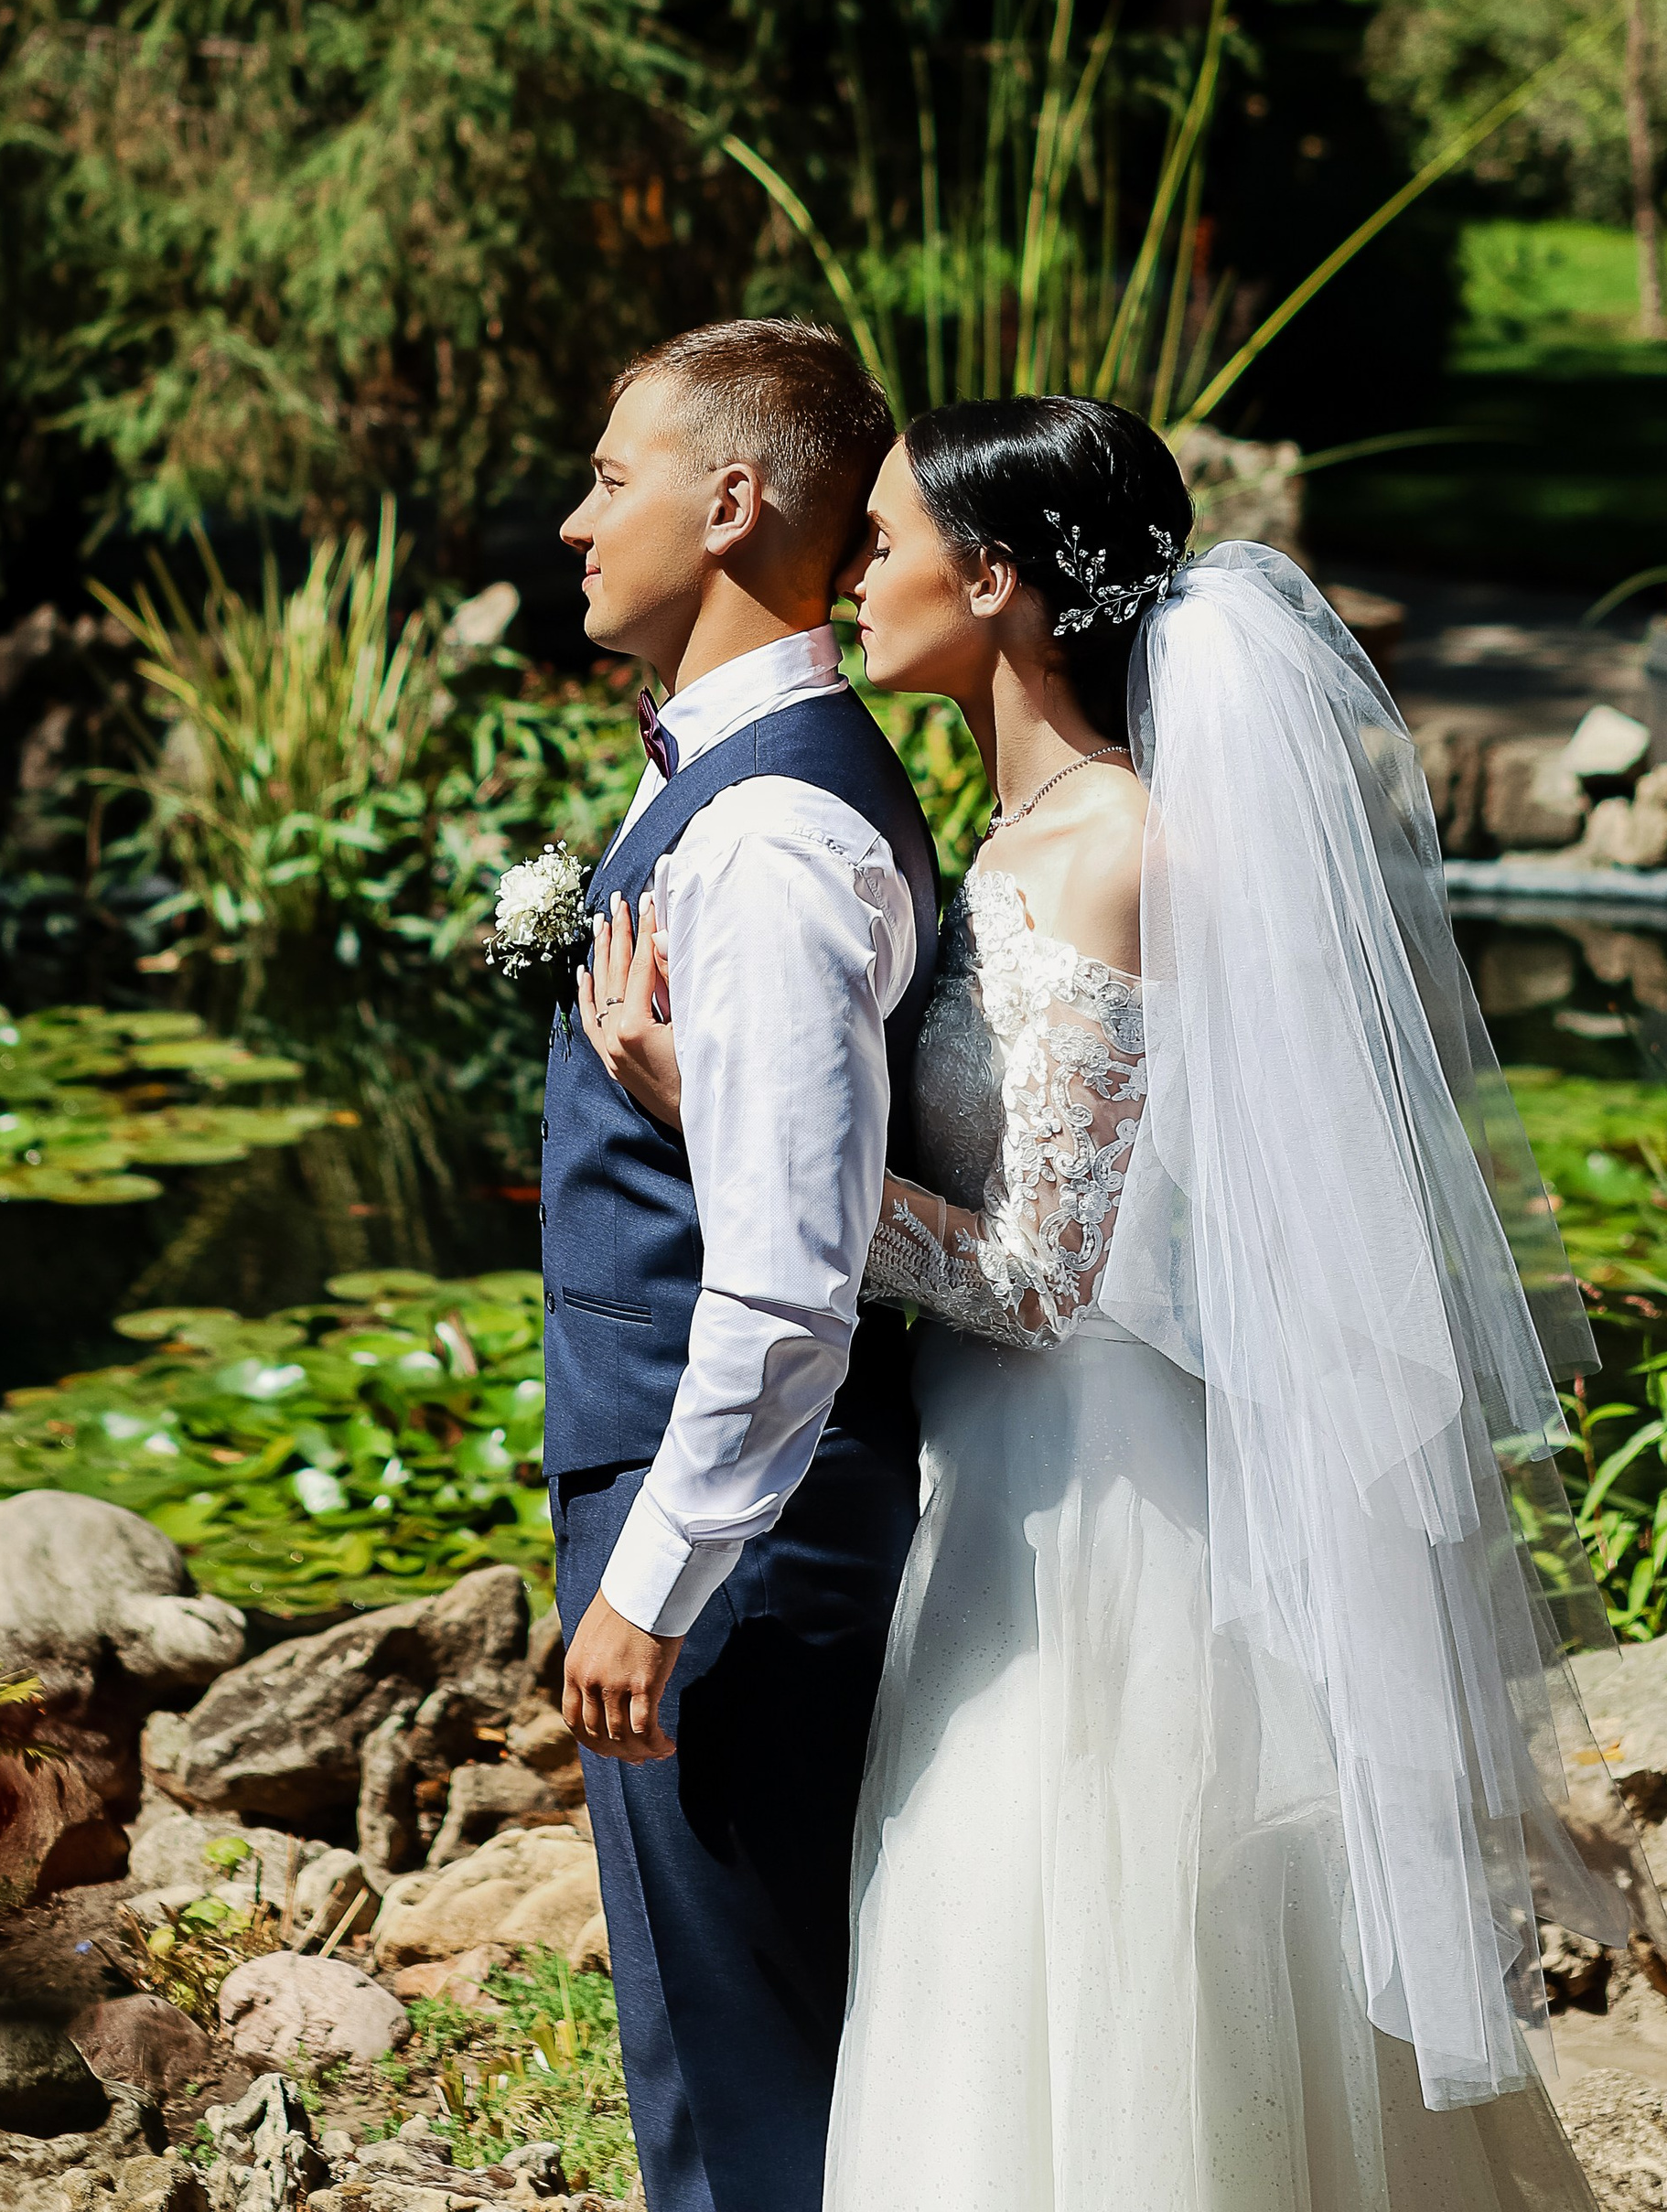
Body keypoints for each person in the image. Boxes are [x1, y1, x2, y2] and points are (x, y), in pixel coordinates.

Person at [586, 392, 1657, 2212]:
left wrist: (730, 1121)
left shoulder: (1112, 849)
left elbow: (1039, 1271)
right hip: (994, 1481)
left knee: (1089, 1950)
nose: (853, 573)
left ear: (992, 581)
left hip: (1103, 1513)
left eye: (891, 543)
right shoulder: (997, 835)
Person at [543, 317, 942, 2212]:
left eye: (607, 477)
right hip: (721, 1511)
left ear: (724, 501)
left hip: (735, 1539)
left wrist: (655, 1576)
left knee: (744, 2089)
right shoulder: (728, 775)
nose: (571, 520)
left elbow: (785, 1279)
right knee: (718, 2055)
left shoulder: (770, 829)